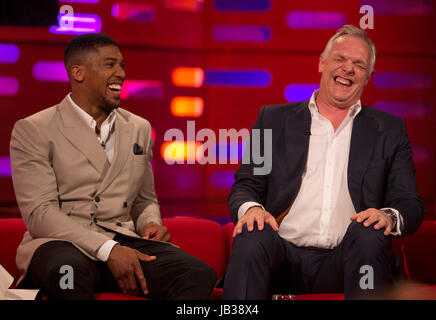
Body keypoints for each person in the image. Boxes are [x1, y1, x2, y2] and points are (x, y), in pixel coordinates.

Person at [223, 25, 424, 300]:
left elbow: (409, 203)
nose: (348, 69)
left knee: (369, 235)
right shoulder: (272, 121)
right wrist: (252, 209)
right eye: (340, 59)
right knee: (252, 233)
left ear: (369, 76)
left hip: (349, 261)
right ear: (322, 62)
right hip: (282, 258)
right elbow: (246, 185)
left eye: (358, 64)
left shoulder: (389, 131)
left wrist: (386, 216)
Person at [9, 33, 216, 300]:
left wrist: (150, 221)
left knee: (196, 273)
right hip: (61, 244)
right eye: (110, 65)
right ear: (78, 72)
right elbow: (40, 213)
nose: (121, 73)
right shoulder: (35, 129)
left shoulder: (138, 128)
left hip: (122, 241)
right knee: (67, 274)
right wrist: (106, 249)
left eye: (122, 65)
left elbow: (145, 199)